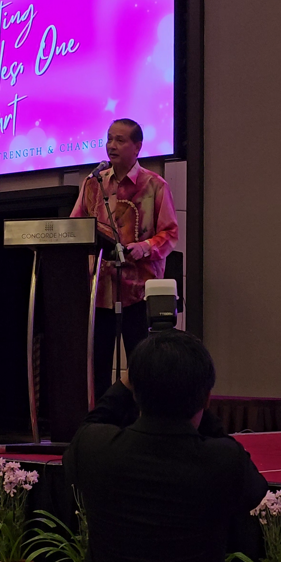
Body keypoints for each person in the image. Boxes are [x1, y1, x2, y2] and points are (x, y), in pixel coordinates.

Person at [65, 330, 269, 562]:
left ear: (135, 391)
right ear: (206, 396)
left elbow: (92, 424)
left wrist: (123, 386)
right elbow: (251, 486)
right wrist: (200, 412)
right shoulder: (222, 463)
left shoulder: (96, 450)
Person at [71, 119, 178, 399]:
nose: (111, 146)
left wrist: (143, 247)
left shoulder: (154, 186)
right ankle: (101, 418)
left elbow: (170, 234)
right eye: (109, 139)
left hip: (138, 292)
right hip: (99, 292)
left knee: (141, 365)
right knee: (97, 365)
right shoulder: (93, 184)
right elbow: (74, 228)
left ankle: (141, 417)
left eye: (120, 140)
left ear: (137, 147)